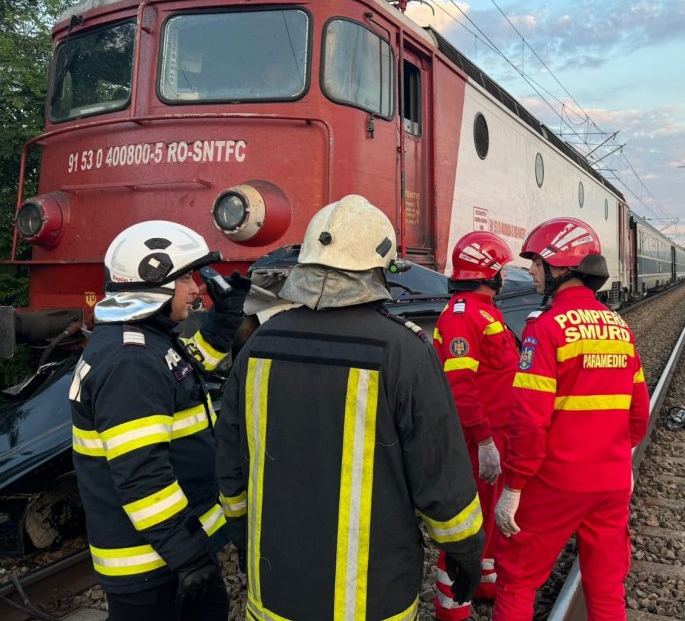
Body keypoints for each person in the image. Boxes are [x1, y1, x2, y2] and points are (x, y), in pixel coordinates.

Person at [215, 194, 485, 621]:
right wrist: (466, 552)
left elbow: (230, 469)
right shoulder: (405, 352)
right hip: (373, 600)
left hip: (274, 596)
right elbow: (442, 476)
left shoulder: (258, 347)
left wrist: (243, 539)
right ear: (381, 268)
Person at [69, 220, 251, 620]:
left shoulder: (142, 340)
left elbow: (184, 375)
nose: (195, 288)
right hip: (153, 566)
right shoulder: (131, 362)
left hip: (166, 552)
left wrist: (224, 320)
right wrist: (187, 557)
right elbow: (142, 474)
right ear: (153, 283)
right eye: (184, 277)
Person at [492, 217, 650, 621]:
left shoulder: (545, 330)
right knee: (607, 585)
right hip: (610, 482)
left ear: (561, 268)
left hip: (555, 483)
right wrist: (623, 458)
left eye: (537, 263)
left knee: (517, 581)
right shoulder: (620, 327)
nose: (530, 271)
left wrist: (514, 485)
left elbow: (528, 420)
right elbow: (637, 411)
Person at [433, 231, 520, 620]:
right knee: (467, 522)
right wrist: (484, 440)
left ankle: (485, 584)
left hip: (493, 435)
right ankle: (452, 610)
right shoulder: (464, 315)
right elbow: (460, 385)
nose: (505, 276)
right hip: (475, 438)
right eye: (501, 269)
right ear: (489, 272)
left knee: (487, 516)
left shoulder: (484, 310)